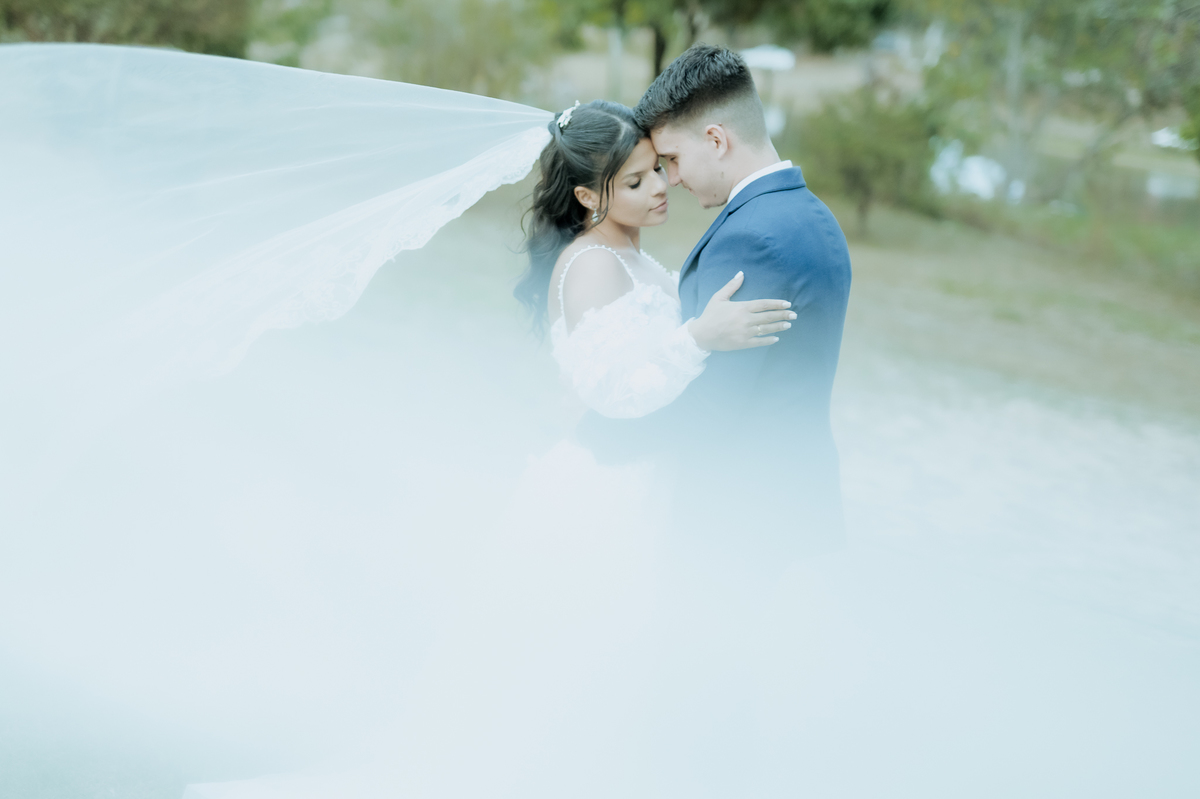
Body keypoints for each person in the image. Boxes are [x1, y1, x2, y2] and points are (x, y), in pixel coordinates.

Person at [581, 44, 853, 560]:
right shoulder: (813, 214)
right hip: (794, 497)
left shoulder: (751, 238)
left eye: (673, 159)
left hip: (738, 517)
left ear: (716, 139)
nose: (672, 179)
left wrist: (600, 433)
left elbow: (713, 404)